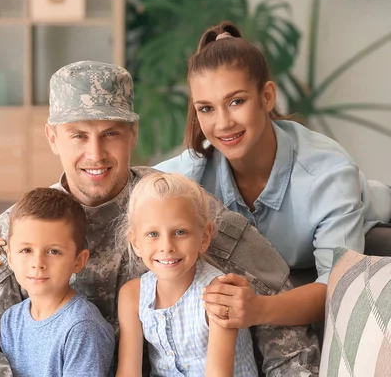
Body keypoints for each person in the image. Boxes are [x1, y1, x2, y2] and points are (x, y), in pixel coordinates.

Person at [0, 61, 319, 377]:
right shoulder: (20, 225)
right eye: (78, 135)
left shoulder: (178, 209)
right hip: (16, 368)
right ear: (53, 138)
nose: (95, 153)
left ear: (132, 135)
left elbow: (276, 316)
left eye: (110, 134)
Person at [153, 21, 391, 330]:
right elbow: (132, 187)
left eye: (236, 101)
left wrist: (258, 310)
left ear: (267, 97)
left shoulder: (328, 174)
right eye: (206, 109)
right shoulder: (191, 173)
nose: (222, 123)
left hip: (375, 225)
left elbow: (340, 290)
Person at [116, 172, 258, 377]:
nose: (166, 246)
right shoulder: (132, 295)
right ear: (136, 242)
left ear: (205, 236)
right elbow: (128, 372)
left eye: (180, 232)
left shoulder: (219, 294)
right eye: (153, 234)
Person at [0, 187, 114, 377]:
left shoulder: (82, 327)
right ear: (10, 258)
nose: (38, 264)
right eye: (26, 250)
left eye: (53, 251)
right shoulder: (11, 320)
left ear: (79, 261)